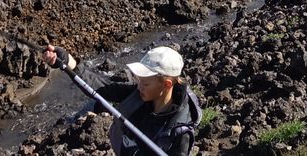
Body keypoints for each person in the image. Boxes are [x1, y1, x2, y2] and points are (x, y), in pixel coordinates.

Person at [43, 44, 201, 156]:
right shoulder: (141, 93)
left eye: (145, 83)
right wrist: (67, 61)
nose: (139, 86)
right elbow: (102, 88)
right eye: (139, 80)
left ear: (167, 84)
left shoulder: (180, 134)